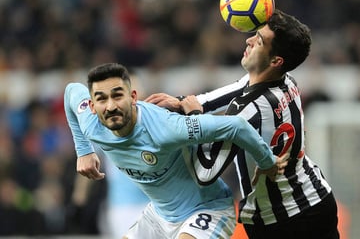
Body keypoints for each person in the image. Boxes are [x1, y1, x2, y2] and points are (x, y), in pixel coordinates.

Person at [146, 9, 340, 239]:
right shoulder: (287, 80)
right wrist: (182, 103)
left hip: (280, 220)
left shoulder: (247, 110)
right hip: (317, 199)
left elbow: (206, 171)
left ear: (276, 60)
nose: (248, 40)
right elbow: (234, 90)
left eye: (259, 40)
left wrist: (193, 117)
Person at [63, 62, 287, 239]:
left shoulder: (165, 128)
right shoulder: (91, 124)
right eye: (101, 99)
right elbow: (72, 91)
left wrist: (266, 162)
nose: (110, 106)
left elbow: (236, 126)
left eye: (117, 95)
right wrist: (84, 150)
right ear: (92, 106)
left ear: (132, 97)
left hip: (207, 209)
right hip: (159, 216)